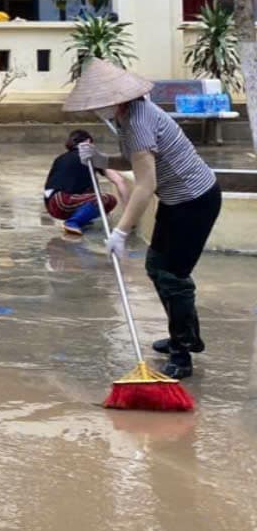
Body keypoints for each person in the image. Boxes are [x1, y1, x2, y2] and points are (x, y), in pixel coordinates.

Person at [66, 59, 221, 379]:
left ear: (117, 99)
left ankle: (182, 352)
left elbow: (145, 183)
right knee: (157, 268)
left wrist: (122, 231)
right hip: (178, 201)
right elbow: (138, 156)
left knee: (172, 276)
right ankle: (185, 335)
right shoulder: (128, 117)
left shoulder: (137, 120)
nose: (98, 110)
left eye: (101, 103)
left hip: (194, 201)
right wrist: (101, 159)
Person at [43, 129, 127, 235]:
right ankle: (73, 222)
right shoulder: (89, 156)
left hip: (51, 203)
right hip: (62, 201)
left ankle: (80, 219)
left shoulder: (61, 158)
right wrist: (129, 214)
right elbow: (119, 180)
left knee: (90, 191)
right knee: (107, 199)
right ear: (88, 142)